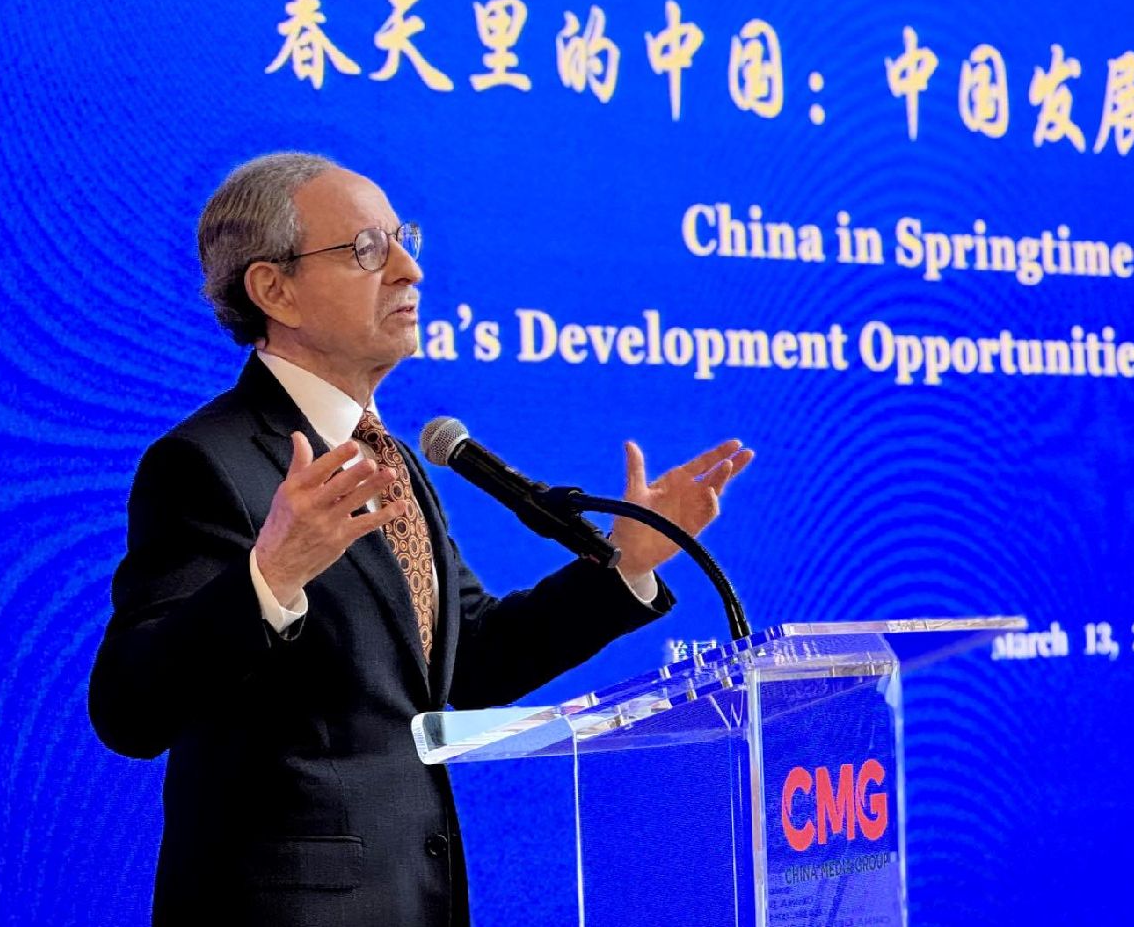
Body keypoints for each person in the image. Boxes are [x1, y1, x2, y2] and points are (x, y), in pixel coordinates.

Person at [87, 152, 753, 926]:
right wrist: (269, 578)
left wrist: (623, 564)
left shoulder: (396, 460)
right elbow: (128, 707)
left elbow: (471, 659)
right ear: (274, 289)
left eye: (403, 239)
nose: (409, 269)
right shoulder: (206, 460)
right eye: (367, 249)